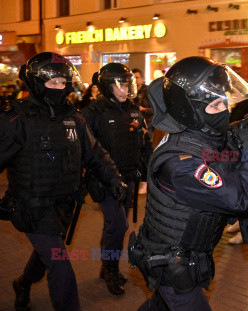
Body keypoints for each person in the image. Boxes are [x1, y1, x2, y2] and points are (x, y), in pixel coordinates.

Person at [128, 56, 248, 311]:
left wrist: (244, 132)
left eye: (225, 101)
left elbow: (223, 152)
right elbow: (241, 199)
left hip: (188, 256)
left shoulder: (202, 137)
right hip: (172, 264)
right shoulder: (181, 163)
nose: (225, 109)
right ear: (189, 112)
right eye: (216, 105)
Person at [0, 52, 127, 311]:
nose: (59, 88)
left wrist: (114, 178)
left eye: (62, 82)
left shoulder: (74, 118)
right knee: (60, 263)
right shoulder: (17, 120)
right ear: (36, 83)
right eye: (52, 82)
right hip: (31, 208)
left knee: (46, 252)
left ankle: (23, 283)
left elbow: (95, 153)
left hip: (64, 206)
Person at [81, 63, 153, 295]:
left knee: (113, 225)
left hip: (130, 177)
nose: (126, 88)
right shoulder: (92, 113)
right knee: (119, 224)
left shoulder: (133, 110)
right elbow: (83, 150)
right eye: (120, 84)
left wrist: (150, 169)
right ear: (107, 86)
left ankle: (105, 265)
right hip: (105, 181)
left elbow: (145, 142)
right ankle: (111, 269)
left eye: (127, 83)